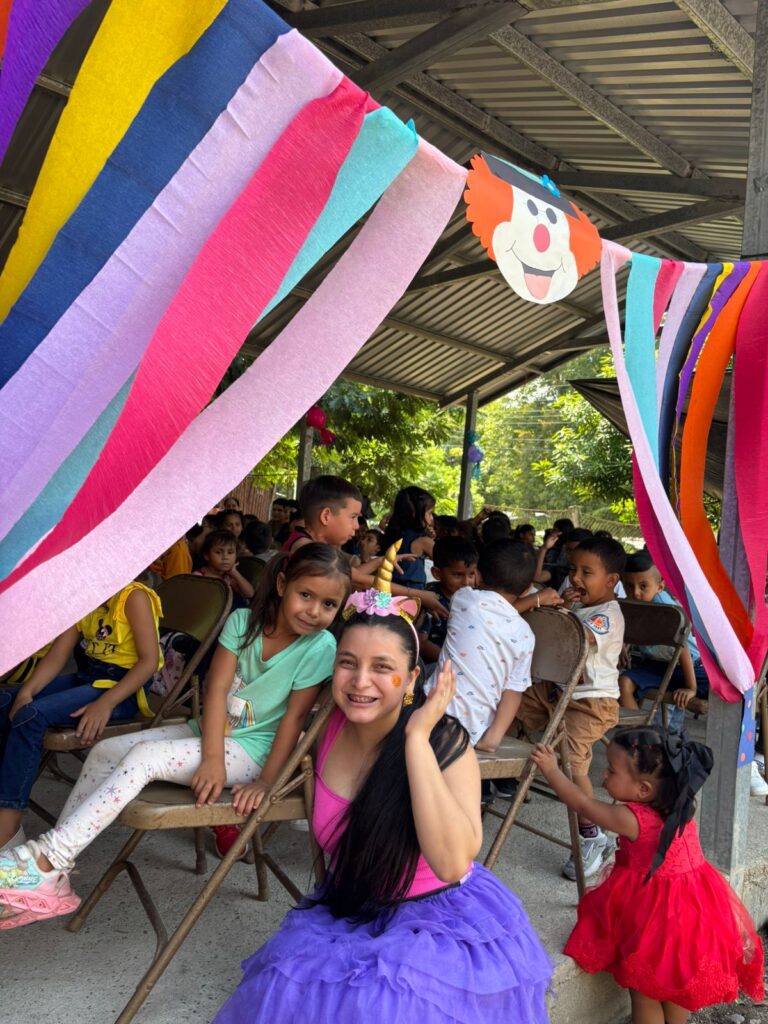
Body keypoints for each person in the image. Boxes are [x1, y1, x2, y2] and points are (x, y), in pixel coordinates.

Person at [213, 562, 553, 1024]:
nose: (360, 682)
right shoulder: (326, 727)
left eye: (382, 668)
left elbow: (452, 863)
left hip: (436, 928)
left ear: (412, 679)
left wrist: (416, 740)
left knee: (384, 1007)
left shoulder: (445, 743)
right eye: (347, 663)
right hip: (349, 910)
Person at [0, 545, 351, 926]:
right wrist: (212, 755)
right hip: (211, 735)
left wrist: (267, 781)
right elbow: (216, 691)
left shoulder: (320, 647)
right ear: (282, 584)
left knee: (143, 759)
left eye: (329, 604)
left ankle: (47, 859)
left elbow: (294, 720)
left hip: (254, 751)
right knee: (104, 751)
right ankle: (53, 870)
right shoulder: (242, 622)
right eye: (306, 595)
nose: (314, 611)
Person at [531, 726, 764, 1022]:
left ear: (643, 789)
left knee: (644, 991)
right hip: (694, 913)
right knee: (674, 989)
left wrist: (552, 770)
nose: (603, 774)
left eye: (611, 770)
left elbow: (582, 804)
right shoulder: (681, 807)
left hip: (657, 920)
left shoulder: (631, 818)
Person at [0, 581, 163, 857]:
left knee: (30, 717)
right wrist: (26, 692)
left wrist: (106, 703)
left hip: (121, 689)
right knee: (6, 701)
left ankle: (8, 825)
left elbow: (148, 662)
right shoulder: (85, 596)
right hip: (89, 676)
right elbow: (57, 655)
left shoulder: (133, 596)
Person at [519, 536, 626, 881]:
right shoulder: (582, 608)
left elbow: (579, 637)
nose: (575, 578)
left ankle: (591, 833)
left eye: (586, 572)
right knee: (512, 701)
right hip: (558, 693)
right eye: (572, 569)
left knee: (573, 760)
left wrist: (556, 612)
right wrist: (564, 607)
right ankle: (499, 776)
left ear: (611, 581)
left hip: (592, 703)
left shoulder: (608, 615)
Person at [433, 539, 536, 783]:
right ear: (526, 589)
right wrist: (493, 738)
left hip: (431, 714)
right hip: (474, 731)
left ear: (477, 575)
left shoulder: (463, 599)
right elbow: (513, 692)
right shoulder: (526, 635)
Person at [418, 536, 478, 664]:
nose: (466, 582)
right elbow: (422, 642)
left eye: (471, 574)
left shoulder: (475, 598)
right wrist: (452, 662)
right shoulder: (430, 600)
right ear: (437, 573)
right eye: (457, 575)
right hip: (437, 664)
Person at [380, 486, 435, 591]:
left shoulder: (391, 535)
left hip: (386, 591)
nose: (431, 518)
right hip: (413, 594)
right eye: (430, 513)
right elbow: (447, 563)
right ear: (414, 513)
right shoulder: (422, 541)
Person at [194, 529, 255, 605]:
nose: (225, 557)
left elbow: (249, 594)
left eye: (230, 552)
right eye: (218, 552)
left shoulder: (229, 576)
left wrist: (235, 573)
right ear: (206, 555)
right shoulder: (198, 577)